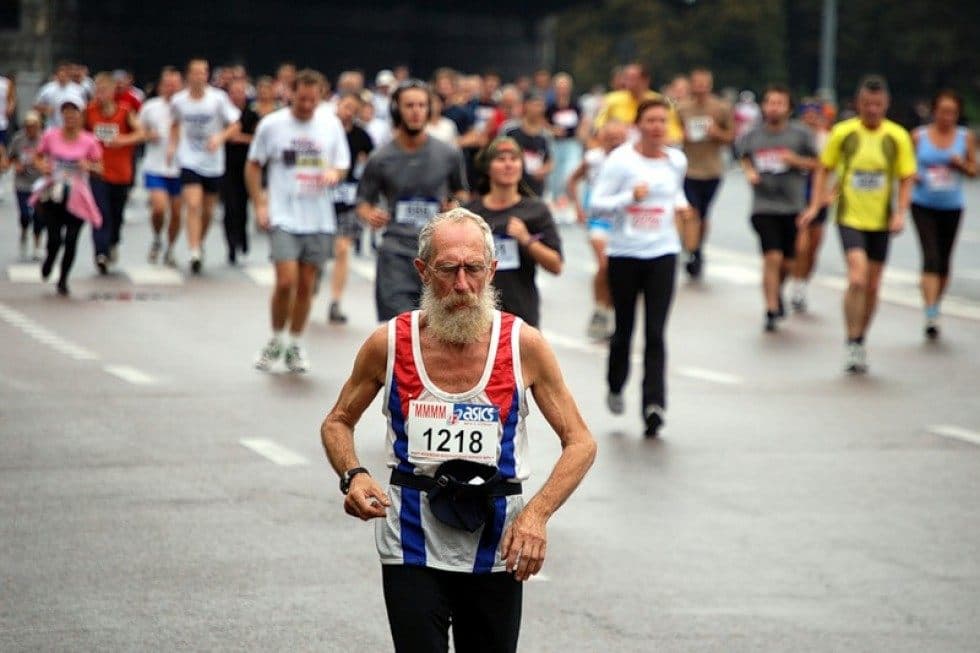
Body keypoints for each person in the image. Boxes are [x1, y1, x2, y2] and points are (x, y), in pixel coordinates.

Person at [319, 208, 596, 653]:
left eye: (474, 269)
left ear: (492, 270)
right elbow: (337, 420)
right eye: (448, 270)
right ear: (423, 272)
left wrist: (537, 515)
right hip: (410, 537)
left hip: (497, 541)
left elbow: (580, 441)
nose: (462, 286)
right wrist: (354, 474)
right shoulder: (389, 343)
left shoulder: (522, 345)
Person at [799, 75, 916, 374]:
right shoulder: (843, 132)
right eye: (867, 104)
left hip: (880, 220)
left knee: (874, 286)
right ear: (858, 104)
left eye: (878, 104)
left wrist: (901, 212)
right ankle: (851, 339)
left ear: (886, 104)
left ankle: (861, 339)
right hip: (849, 216)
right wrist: (816, 204)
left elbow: (906, 177)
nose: (873, 110)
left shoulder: (897, 136)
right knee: (857, 278)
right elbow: (823, 169)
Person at [590, 98, 690, 437]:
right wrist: (629, 198)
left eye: (663, 120)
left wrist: (684, 207)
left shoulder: (676, 161)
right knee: (625, 330)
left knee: (656, 333)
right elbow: (598, 205)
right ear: (639, 125)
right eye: (651, 120)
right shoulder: (620, 161)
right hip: (625, 254)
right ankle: (616, 384)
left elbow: (674, 195)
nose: (658, 126)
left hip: (663, 253)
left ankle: (654, 405)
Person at [247, 69, 349, 373]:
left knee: (306, 285)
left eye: (312, 99)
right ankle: (276, 338)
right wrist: (260, 203)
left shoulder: (330, 124)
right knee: (286, 281)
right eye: (301, 98)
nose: (306, 105)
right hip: (283, 214)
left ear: (320, 96)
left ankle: (294, 343)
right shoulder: (272, 125)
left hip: (318, 218)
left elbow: (342, 164)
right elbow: (253, 166)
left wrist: (335, 173)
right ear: (290, 93)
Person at [356, 79, 468, 321]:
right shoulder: (380, 158)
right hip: (396, 252)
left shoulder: (448, 154)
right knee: (401, 329)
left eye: (421, 105)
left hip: (439, 256)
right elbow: (363, 201)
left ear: (430, 109)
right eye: (409, 105)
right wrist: (370, 214)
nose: (416, 111)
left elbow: (462, 193)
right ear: (396, 109)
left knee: (440, 333)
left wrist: (455, 207)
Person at [737, 85, 818, 332]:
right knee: (772, 257)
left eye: (779, 103)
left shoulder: (801, 135)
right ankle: (771, 309)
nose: (774, 107)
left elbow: (820, 164)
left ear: (789, 108)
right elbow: (743, 156)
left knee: (788, 263)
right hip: (764, 206)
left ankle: (778, 292)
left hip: (792, 206)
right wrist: (750, 172)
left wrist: (796, 161)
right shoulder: (753, 134)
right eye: (770, 102)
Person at [465, 137, 563, 327]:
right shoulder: (471, 213)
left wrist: (527, 239)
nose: (508, 165)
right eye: (501, 159)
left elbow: (556, 265)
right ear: (487, 167)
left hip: (521, 314)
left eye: (514, 159)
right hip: (476, 313)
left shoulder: (536, 210)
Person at [910, 89, 976, 339]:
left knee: (945, 260)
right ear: (934, 111)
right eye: (943, 111)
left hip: (951, 205)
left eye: (952, 113)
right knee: (931, 256)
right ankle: (930, 312)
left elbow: (974, 170)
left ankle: (936, 304)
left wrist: (962, 165)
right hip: (923, 203)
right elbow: (904, 166)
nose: (947, 117)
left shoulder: (965, 137)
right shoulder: (918, 137)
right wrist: (912, 175)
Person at [167, 58, 242, 274]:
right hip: (189, 158)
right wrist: (173, 147)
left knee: (208, 210)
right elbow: (174, 124)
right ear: (188, 75)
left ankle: (199, 241)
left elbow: (235, 125)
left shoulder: (217, 99)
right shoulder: (179, 101)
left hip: (213, 161)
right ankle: (194, 252)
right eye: (196, 73)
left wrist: (220, 137)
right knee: (192, 204)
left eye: (204, 72)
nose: (200, 76)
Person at [34, 96, 104, 295]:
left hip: (77, 195)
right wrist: (43, 167)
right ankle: (49, 260)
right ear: (62, 116)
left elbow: (100, 167)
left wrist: (88, 165)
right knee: (55, 238)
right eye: (66, 114)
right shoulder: (51, 136)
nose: (70, 118)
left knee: (72, 239)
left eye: (74, 114)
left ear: (80, 117)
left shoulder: (89, 140)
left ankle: (63, 279)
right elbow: (38, 156)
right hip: (55, 194)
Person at [566, 120, 629, 339]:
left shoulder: (631, 160)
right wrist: (579, 208)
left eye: (619, 138)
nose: (615, 142)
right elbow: (572, 180)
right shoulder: (593, 159)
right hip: (598, 219)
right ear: (601, 137)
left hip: (622, 222)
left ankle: (609, 311)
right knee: (604, 264)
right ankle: (600, 309)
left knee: (618, 270)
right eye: (610, 137)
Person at [676, 67, 734, 278]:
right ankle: (691, 251)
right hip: (689, 168)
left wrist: (715, 133)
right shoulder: (682, 108)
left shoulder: (720, 108)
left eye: (704, 84)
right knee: (692, 212)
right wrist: (683, 135)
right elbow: (672, 133)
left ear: (710, 85)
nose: (700, 88)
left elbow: (731, 137)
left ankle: (698, 248)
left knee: (704, 214)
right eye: (696, 83)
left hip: (712, 169)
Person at [85, 72, 143, 274]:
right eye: (97, 90)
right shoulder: (89, 112)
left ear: (112, 92)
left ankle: (113, 242)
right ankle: (100, 252)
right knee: (100, 213)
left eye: (104, 90)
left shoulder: (125, 111)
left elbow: (141, 133)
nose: (100, 95)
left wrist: (122, 141)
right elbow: (80, 136)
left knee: (116, 215)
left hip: (121, 173)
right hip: (98, 173)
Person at [329, 91, 375, 324]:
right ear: (337, 106)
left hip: (349, 199)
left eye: (353, 108)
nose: (348, 112)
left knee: (342, 248)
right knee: (317, 255)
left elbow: (373, 166)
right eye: (345, 106)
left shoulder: (362, 136)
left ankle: (335, 301)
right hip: (322, 198)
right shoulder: (324, 129)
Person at [789, 99, 832, 312]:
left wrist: (833, 195)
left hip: (821, 200)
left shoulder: (829, 141)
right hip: (798, 199)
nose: (812, 120)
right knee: (800, 247)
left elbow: (841, 172)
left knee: (813, 248)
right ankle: (795, 285)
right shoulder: (793, 139)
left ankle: (803, 284)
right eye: (807, 116)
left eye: (816, 116)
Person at [139, 67, 183, 266]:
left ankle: (171, 247)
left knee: (176, 212)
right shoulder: (151, 107)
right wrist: (149, 135)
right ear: (161, 86)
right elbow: (139, 129)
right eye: (167, 84)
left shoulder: (186, 107)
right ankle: (157, 237)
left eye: (175, 85)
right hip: (155, 166)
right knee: (159, 208)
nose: (171, 89)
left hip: (181, 167)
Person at [222, 77, 259, 264]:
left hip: (245, 165)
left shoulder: (252, 115)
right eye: (234, 92)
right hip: (225, 166)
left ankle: (242, 237)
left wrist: (240, 138)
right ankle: (230, 244)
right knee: (230, 207)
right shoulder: (223, 114)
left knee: (243, 206)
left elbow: (258, 139)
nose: (237, 95)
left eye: (241, 92)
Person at [546, 72, 585, 212]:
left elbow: (583, 121)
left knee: (570, 171)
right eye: (559, 86)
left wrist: (582, 133)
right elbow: (544, 123)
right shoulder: (550, 106)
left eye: (565, 86)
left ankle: (572, 202)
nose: (562, 89)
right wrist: (552, 130)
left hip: (572, 143)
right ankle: (556, 202)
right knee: (554, 174)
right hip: (555, 144)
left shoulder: (576, 104)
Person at [9, 111, 44, 260]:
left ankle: (37, 243)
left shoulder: (44, 139)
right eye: (28, 126)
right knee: (25, 214)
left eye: (34, 126)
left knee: (39, 216)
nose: (31, 130)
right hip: (22, 182)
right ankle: (24, 231)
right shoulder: (18, 139)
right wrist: (16, 165)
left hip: (39, 183)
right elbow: (11, 157)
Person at [504, 94, 552, 198]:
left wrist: (543, 170)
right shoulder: (510, 129)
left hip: (536, 189)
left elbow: (549, 160)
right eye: (536, 105)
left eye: (541, 106)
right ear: (526, 105)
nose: (539, 109)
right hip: (512, 186)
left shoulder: (545, 134)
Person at [34, 62, 85, 128]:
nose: (62, 75)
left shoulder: (78, 89)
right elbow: (35, 106)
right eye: (60, 73)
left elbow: (83, 110)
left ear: (69, 74)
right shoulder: (47, 89)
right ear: (57, 74)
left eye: (65, 73)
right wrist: (45, 109)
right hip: (52, 127)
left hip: (72, 127)